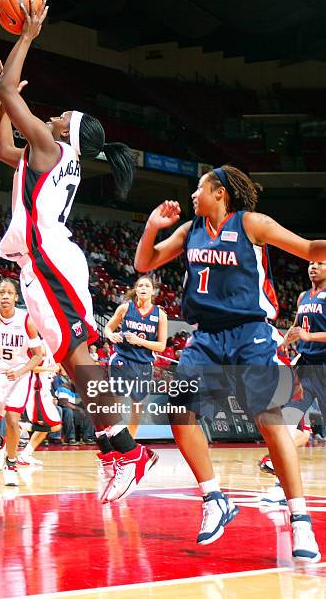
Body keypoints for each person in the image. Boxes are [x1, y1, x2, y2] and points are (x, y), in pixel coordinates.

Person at [0, 0, 156, 502]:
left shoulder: (50, 147)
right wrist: (5, 105)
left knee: (78, 358)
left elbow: (6, 91)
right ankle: (117, 450)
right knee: (70, 358)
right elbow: (2, 150)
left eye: (62, 116)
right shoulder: (44, 153)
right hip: (42, 261)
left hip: (48, 259)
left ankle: (128, 452)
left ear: (69, 132)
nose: (54, 115)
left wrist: (28, 38)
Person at [135, 165, 324, 561]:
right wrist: (153, 226)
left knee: (270, 421)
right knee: (178, 410)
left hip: (249, 333)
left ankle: (300, 518)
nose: (192, 195)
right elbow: (145, 263)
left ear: (220, 192)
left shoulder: (251, 223)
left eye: (199, 188)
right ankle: (214, 498)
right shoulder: (190, 230)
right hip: (206, 336)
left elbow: (308, 249)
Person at [259, 260, 326, 506]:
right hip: (305, 367)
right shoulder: (303, 297)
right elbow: (297, 327)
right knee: (286, 425)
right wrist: (282, 342)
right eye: (311, 263)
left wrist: (310, 336)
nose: (314, 266)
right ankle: (281, 488)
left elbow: (306, 333)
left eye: (320, 263)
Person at [0, 278, 43, 486]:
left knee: (13, 419)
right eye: (2, 292)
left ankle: (11, 464)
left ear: (16, 297)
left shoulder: (26, 321)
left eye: (9, 293)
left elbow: (37, 356)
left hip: (18, 374)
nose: (5, 296)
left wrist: (20, 371)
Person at [104, 276, 167, 437]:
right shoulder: (125, 308)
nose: (143, 288)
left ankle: (130, 443)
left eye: (147, 286)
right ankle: (113, 440)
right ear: (136, 290)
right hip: (121, 359)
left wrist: (139, 341)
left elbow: (161, 346)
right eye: (140, 286)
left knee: (138, 408)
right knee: (116, 404)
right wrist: (111, 336)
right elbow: (108, 328)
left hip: (144, 364)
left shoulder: (160, 315)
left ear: (153, 291)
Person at [19, 340, 62, 465]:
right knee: (54, 426)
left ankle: (25, 454)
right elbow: (31, 368)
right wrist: (49, 368)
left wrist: (55, 367)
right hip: (37, 392)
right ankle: (24, 426)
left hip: (45, 392)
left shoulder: (49, 347)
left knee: (46, 428)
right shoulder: (39, 347)